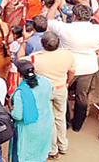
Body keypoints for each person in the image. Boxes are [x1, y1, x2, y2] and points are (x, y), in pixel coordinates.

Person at [47, 3, 99, 132]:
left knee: (63, 93)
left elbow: (48, 20)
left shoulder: (64, 28)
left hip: (68, 66)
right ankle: (78, 124)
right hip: (88, 67)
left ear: (74, 16)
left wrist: (56, 3)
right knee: (82, 96)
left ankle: (65, 121)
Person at [28, 31, 76, 159]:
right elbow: (72, 72)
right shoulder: (68, 55)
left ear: (43, 44)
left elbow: (20, 61)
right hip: (61, 88)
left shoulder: (35, 58)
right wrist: (66, 83)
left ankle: (53, 149)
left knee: (49, 119)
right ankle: (63, 145)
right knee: (60, 117)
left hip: (44, 91)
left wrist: (23, 42)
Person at [11, 60, 54, 162]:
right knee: (40, 153)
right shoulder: (46, 82)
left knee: (24, 155)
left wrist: (11, 110)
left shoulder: (20, 92)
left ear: (20, 74)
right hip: (46, 123)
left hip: (28, 129)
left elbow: (18, 116)